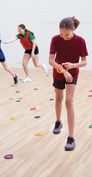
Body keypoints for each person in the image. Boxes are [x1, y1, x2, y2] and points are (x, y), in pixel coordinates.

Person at [49, 17, 88, 151]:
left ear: (73, 30)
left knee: (69, 101)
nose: (63, 37)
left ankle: (71, 137)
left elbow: (84, 62)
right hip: (59, 73)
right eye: (61, 34)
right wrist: (64, 70)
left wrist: (72, 66)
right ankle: (58, 122)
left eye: (67, 34)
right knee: (59, 98)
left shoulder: (81, 41)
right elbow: (51, 61)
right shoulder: (55, 39)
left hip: (73, 73)